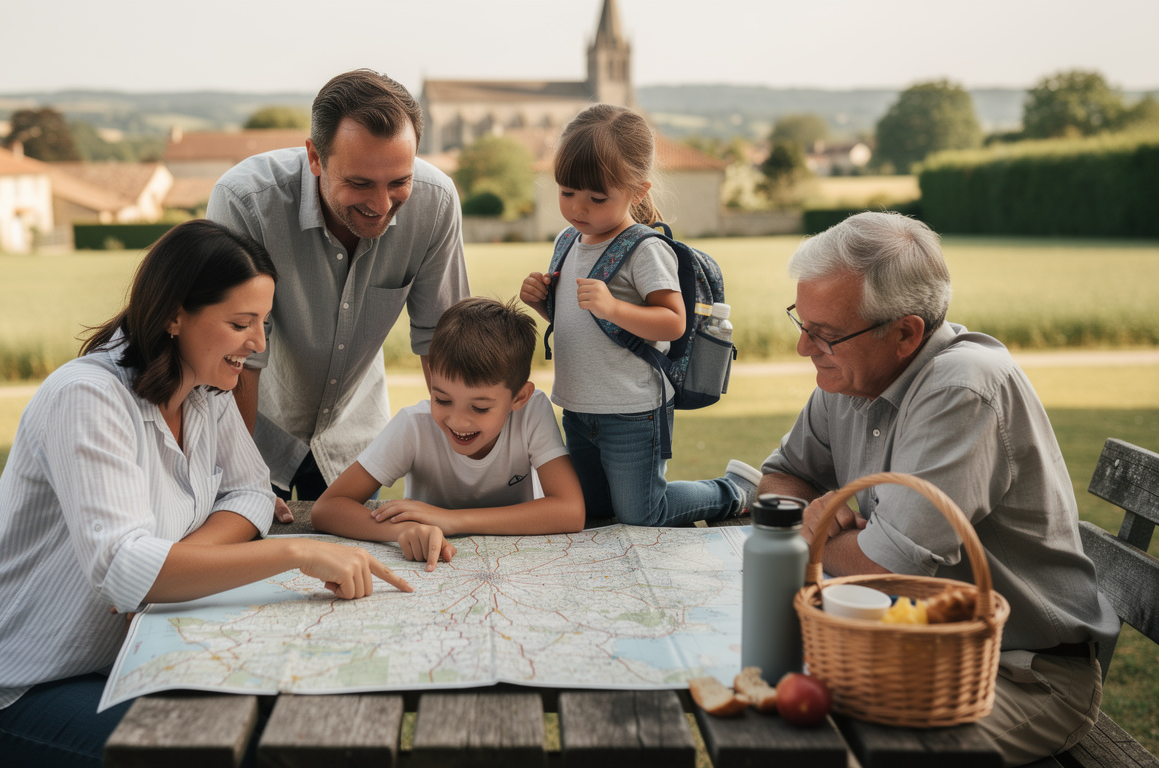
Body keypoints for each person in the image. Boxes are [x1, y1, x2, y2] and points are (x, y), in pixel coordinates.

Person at [0, 220, 412, 768]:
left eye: (264, 323)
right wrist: (297, 552)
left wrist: (172, 567)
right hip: (11, 685)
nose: (258, 344)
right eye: (240, 324)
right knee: (238, 751)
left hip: (124, 657)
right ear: (174, 316)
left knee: (299, 722)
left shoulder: (205, 389)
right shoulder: (87, 398)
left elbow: (252, 491)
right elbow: (125, 571)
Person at [757, 211, 1119, 766]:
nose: (804, 347)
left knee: (841, 751)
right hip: (906, 650)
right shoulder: (849, 376)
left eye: (825, 334)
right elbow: (781, 477)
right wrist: (821, 524)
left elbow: (883, 566)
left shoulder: (961, 388)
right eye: (801, 323)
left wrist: (816, 531)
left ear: (905, 333)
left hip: (1018, 674)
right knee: (771, 706)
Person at [207, 69, 470, 522]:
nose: (382, 206)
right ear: (315, 157)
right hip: (253, 429)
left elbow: (441, 342)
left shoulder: (436, 203)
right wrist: (242, 478)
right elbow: (238, 352)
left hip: (355, 439)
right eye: (360, 183)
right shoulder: (245, 202)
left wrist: (462, 469)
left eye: (399, 182)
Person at [518, 103, 759, 527]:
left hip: (633, 411)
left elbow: (673, 322)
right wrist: (541, 302)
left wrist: (613, 306)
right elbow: (579, 320)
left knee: (645, 512)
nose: (578, 208)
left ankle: (734, 491)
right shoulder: (567, 241)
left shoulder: (644, 249)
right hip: (577, 406)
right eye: (567, 192)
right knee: (593, 511)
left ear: (638, 191)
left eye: (597, 198)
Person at [311, 296, 585, 569]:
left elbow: (570, 511)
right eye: (442, 400)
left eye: (480, 408)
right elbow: (328, 508)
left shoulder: (532, 412)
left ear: (519, 397)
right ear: (431, 377)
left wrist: (452, 520)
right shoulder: (413, 425)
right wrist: (405, 531)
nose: (458, 421)